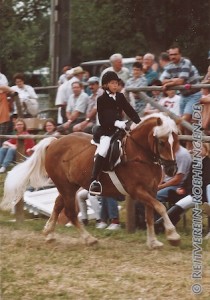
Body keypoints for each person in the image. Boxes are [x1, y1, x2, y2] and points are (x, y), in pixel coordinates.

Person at [89, 71, 141, 196]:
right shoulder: (101, 99)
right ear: (106, 85)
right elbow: (103, 119)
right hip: (106, 129)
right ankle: (94, 180)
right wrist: (117, 123)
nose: (115, 86)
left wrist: (139, 122)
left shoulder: (120, 96)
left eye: (117, 83)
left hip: (120, 129)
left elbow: (130, 110)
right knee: (104, 149)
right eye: (113, 83)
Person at [155, 143, 210, 230]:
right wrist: (183, 187)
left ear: (206, 151)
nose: (198, 150)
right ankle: (160, 224)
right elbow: (188, 178)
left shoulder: (207, 163)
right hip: (192, 193)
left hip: (202, 194)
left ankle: (160, 225)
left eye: (200, 149)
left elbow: (206, 181)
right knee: (178, 205)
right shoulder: (195, 162)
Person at [160, 44, 201, 148]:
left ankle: (184, 144)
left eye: (175, 54)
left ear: (180, 54)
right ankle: (188, 146)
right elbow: (162, 80)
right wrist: (173, 81)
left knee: (184, 119)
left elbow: (181, 80)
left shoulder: (186, 62)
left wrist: (168, 83)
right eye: (171, 54)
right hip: (183, 95)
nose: (173, 57)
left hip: (194, 94)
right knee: (185, 123)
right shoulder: (170, 66)